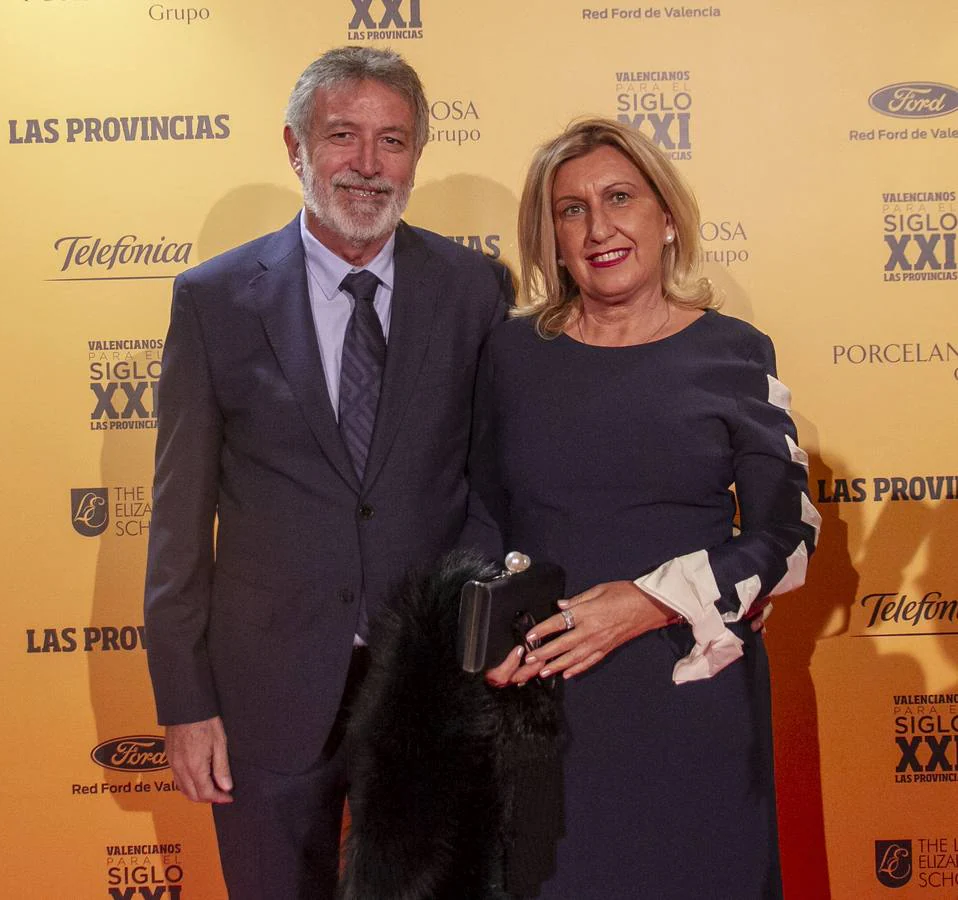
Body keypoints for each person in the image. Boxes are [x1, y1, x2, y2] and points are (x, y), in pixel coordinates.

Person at [143, 46, 510, 899]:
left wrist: (473, 638)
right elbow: (177, 521)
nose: (368, 165)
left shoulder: (473, 288)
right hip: (264, 693)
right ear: (295, 148)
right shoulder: (215, 300)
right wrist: (186, 701)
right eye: (342, 136)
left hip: (426, 688)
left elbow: (492, 486)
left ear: (418, 154)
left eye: (393, 141)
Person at [477, 118, 821, 898]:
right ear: (552, 238)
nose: (599, 227)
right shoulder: (509, 354)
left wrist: (650, 600)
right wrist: (487, 634)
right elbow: (476, 512)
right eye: (571, 209)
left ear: (665, 218)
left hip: (687, 696)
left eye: (620, 198)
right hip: (545, 701)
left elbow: (788, 537)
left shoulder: (735, 352)